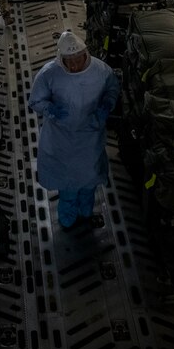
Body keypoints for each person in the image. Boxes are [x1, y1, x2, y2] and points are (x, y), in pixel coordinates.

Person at [28, 31, 119, 230]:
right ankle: (67, 219)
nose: (75, 65)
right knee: (68, 185)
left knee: (88, 181)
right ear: (62, 59)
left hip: (90, 136)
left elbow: (112, 87)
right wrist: (50, 109)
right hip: (62, 138)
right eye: (70, 61)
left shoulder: (101, 71)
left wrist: (108, 102)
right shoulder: (49, 74)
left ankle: (86, 214)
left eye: (78, 59)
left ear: (85, 54)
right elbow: (35, 101)